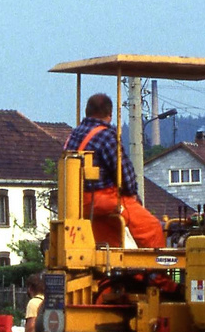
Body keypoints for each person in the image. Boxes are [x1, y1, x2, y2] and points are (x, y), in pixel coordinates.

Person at [64, 92, 166, 249]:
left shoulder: (73, 135)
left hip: (76, 203)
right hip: (102, 200)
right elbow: (125, 176)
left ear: (87, 111)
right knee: (152, 229)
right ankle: (155, 272)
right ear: (109, 115)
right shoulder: (106, 135)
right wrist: (133, 196)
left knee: (112, 244)